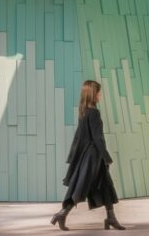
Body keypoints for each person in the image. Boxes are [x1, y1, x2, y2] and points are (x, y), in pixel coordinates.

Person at [51, 80, 125, 231]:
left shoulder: (84, 111)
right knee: (81, 186)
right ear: (93, 94)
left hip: (89, 155)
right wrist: (106, 157)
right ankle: (62, 213)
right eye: (99, 92)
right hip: (94, 156)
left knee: (105, 184)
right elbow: (98, 138)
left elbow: (80, 136)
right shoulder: (95, 113)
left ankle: (111, 217)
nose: (100, 95)